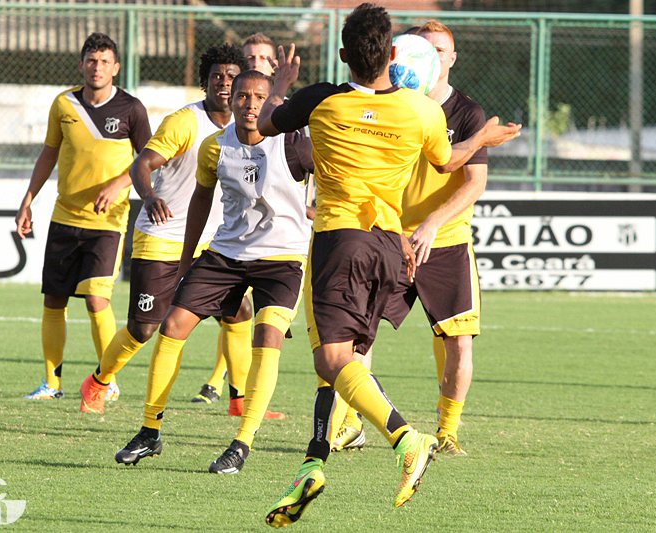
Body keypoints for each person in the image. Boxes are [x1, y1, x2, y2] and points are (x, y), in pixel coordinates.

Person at [258, 4, 521, 527]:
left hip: (340, 240)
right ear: (393, 55)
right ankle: (313, 463)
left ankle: (406, 439)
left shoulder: (322, 99)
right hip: (388, 246)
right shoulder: (420, 111)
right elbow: (449, 161)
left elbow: (265, 123)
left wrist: (281, 85)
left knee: (334, 358)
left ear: (343, 54)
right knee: (340, 358)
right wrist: (481, 140)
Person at [111, 69, 313, 472]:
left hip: (282, 259)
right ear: (231, 100)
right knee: (172, 326)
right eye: (243, 96)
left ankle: (242, 443)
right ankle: (149, 431)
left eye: (259, 97)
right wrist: (187, 262)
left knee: (267, 336)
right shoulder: (215, 146)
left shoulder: (293, 143)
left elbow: (335, 175)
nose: (250, 104)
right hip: (226, 254)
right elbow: (201, 201)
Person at [78, 44, 274, 419]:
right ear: (205, 81)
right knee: (143, 329)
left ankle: (240, 402)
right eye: (216, 76)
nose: (223, 83)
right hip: (162, 238)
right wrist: (150, 196)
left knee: (238, 313)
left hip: (212, 242)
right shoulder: (185, 122)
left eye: (231, 77)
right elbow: (141, 165)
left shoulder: (250, 129)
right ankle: (99, 381)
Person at [15, 33, 151, 401]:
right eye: (91, 60)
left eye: (105, 61)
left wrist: (118, 184)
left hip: (108, 223)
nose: (97, 67)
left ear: (116, 67)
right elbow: (49, 153)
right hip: (65, 216)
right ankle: (51, 384)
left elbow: (149, 159)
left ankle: (108, 381)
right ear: (81, 64)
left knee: (96, 300)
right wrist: (28, 199)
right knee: (53, 300)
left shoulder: (132, 109)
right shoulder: (64, 104)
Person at [387, 19, 487, 456]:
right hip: (388, 237)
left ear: (451, 59)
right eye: (423, 49)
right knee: (355, 335)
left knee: (458, 341)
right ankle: (348, 424)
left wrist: (431, 224)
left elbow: (475, 182)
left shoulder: (467, 113)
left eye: (439, 51)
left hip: (445, 240)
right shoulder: (389, 105)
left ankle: (448, 431)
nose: (430, 57)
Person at [188, 32, 278, 405]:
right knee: (235, 313)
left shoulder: (288, 127)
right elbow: (202, 193)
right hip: (230, 242)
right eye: (249, 58)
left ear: (275, 67)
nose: (255, 63)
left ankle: (225, 387)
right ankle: (227, 390)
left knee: (255, 322)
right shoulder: (219, 137)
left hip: (280, 247)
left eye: (262, 58)